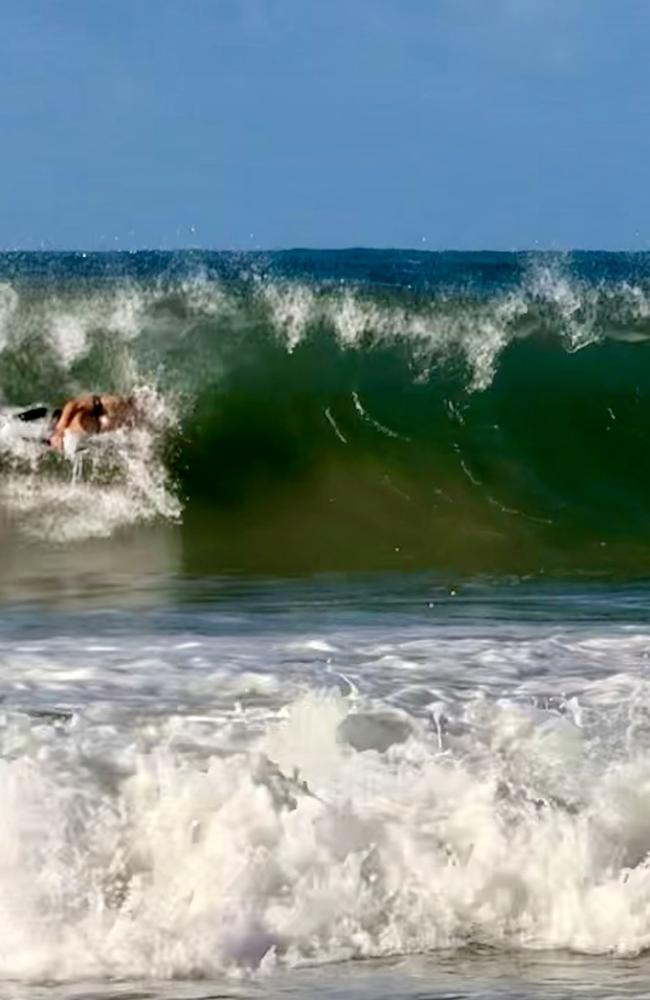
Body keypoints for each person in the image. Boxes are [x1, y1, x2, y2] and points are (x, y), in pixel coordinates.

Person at [49, 393, 136, 451]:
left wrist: (60, 428)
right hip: (104, 423)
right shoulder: (71, 431)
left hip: (103, 408)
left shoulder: (72, 422)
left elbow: (72, 404)